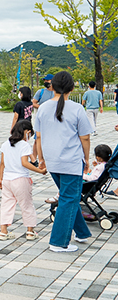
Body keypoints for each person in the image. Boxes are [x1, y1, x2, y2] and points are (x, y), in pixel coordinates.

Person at [34, 71, 92, 252]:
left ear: (51, 86)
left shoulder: (42, 108)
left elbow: (38, 136)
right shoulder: (76, 109)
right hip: (71, 161)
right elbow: (85, 138)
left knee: (69, 197)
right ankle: (58, 242)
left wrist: (41, 158)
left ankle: (82, 233)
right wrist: (88, 159)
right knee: (68, 199)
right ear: (72, 88)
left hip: (52, 161)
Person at [0, 120, 46, 241]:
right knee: (27, 205)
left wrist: (0, 179)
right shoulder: (24, 145)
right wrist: (40, 171)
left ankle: (3, 231)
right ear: (27, 132)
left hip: (7, 180)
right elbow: (24, 163)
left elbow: (2, 163)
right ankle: (30, 232)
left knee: (6, 205)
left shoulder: (6, 143)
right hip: (20, 179)